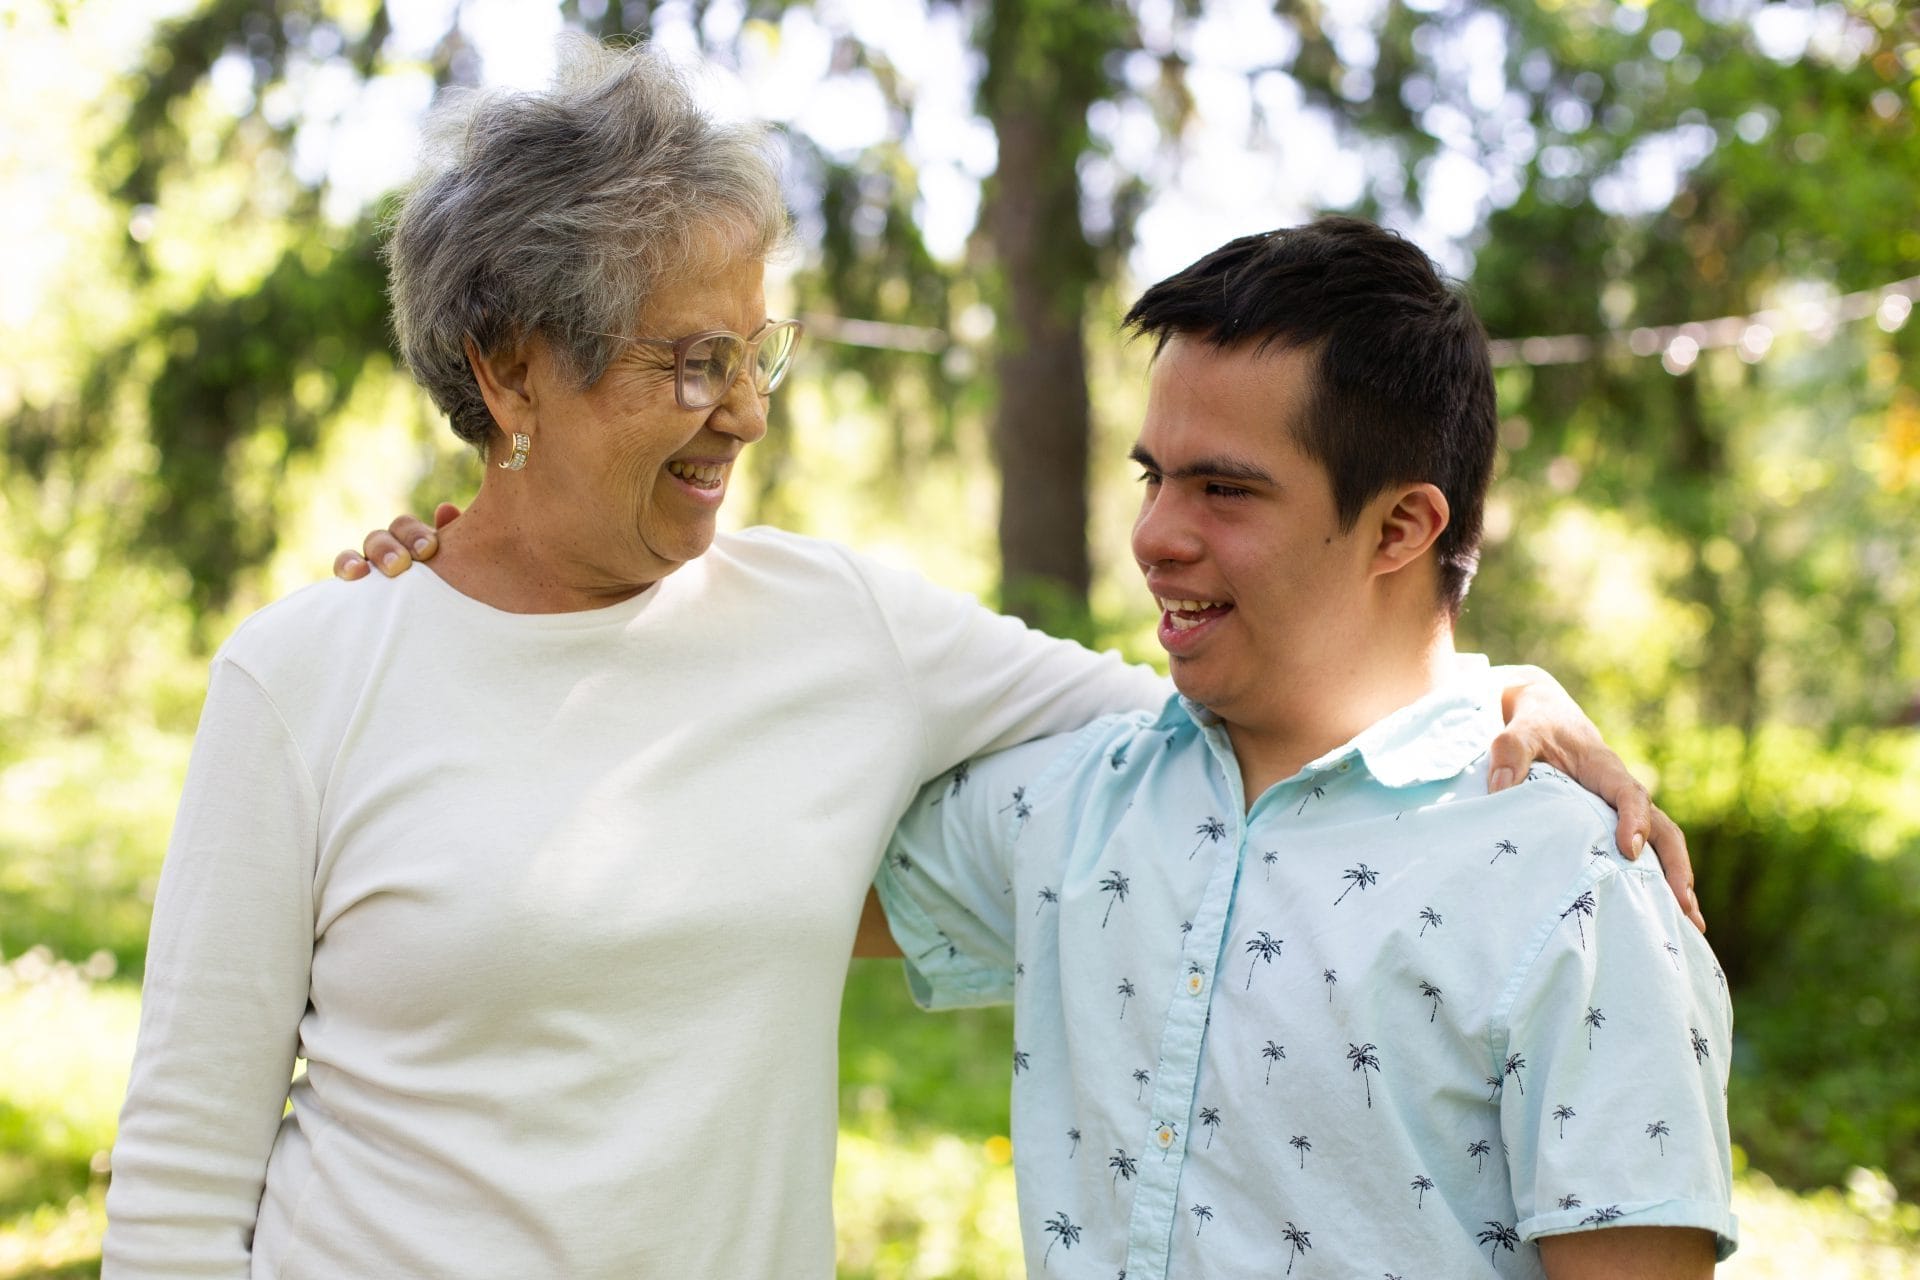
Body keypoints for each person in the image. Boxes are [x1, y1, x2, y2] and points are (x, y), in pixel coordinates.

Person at [107, 38, 1685, 1280]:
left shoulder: (842, 632)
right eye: (690, 362)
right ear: (510, 370)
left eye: (758, 350)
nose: (747, 410)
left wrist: (1500, 697)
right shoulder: (310, 673)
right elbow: (183, 1171)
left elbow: (1250, 713)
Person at [875, 218, 1735, 1278]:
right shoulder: (1077, 800)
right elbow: (766, 889)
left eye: (1224, 488)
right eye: (1156, 475)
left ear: (1400, 527)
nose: (1154, 535)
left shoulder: (1579, 888)